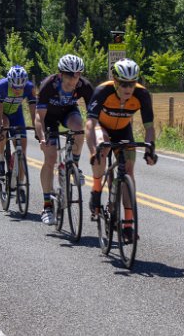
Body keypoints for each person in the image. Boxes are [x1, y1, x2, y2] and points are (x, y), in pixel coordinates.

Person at [85, 58, 158, 242]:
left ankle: (128, 224)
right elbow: (90, 124)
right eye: (124, 84)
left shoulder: (142, 94)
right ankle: (95, 191)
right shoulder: (103, 91)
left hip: (124, 130)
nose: (128, 88)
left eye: (132, 83)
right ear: (115, 81)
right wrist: (93, 150)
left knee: (129, 171)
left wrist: (150, 149)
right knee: (102, 147)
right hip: (102, 127)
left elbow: (149, 127)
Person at [34, 54, 94, 225]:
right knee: (50, 158)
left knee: (79, 128)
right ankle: (47, 205)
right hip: (49, 118)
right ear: (60, 74)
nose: (73, 82)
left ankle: (74, 164)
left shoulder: (84, 85)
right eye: (69, 77)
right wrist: (42, 138)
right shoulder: (49, 85)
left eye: (77, 76)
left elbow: (93, 115)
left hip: (68, 112)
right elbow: (39, 118)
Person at [0, 65, 36, 188]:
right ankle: (0, 159)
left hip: (16, 113)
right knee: (4, 125)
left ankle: (21, 185)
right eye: (14, 87)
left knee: (22, 151)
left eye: (20, 87)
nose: (17, 90)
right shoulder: (1, 86)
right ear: (9, 82)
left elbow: (33, 111)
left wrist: (37, 129)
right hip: (1, 111)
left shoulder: (29, 87)